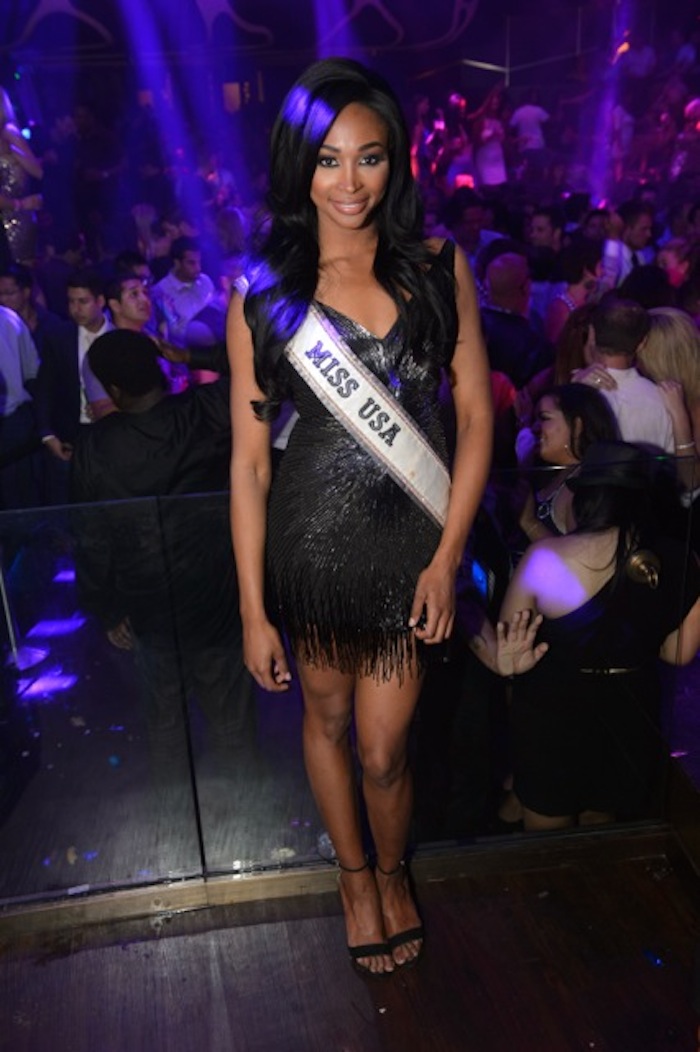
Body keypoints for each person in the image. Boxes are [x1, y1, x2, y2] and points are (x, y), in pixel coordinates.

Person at [227, 58, 492, 976]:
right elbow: (249, 463)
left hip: (411, 552)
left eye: (368, 157)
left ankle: (392, 867)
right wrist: (254, 610)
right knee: (328, 720)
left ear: (396, 161)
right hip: (312, 548)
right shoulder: (263, 291)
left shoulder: (438, 267)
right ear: (298, 165)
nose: (349, 183)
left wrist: (447, 559)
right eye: (328, 159)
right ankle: (353, 880)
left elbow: (475, 417)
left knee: (385, 751)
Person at [471, 440, 700, 831]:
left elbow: (510, 642)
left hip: (552, 716)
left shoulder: (546, 558)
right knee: (601, 830)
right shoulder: (682, 559)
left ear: (587, 498)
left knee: (548, 840)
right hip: (629, 714)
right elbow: (677, 653)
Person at [72, 330, 255, 776]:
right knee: (231, 723)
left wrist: (107, 609)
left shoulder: (95, 446)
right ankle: (245, 807)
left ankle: (176, 811)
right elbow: (264, 371)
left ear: (114, 389)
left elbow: (92, 539)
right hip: (215, 595)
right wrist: (191, 356)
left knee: (167, 726)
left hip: (148, 605)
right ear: (160, 368)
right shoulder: (205, 411)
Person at [517, 384, 619, 542]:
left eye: (544, 418)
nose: (535, 427)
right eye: (534, 420)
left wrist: (530, 523)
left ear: (577, 426)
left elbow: (583, 553)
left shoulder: (586, 485)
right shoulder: (552, 474)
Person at [0, 87, 43, 266]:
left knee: (20, 274)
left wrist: (14, 151)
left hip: (14, 219)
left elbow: (38, 171)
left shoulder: (8, 132)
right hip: (10, 215)